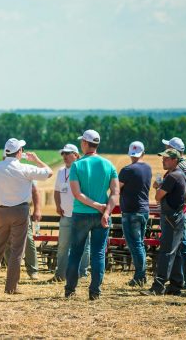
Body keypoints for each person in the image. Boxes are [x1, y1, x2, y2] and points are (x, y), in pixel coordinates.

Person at [0, 138, 52, 294]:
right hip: (20, 212)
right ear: (19, 152)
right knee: (17, 251)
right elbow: (49, 172)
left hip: (0, 212)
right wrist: (37, 159)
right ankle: (11, 287)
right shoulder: (25, 168)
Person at [64, 129, 119, 301]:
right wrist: (106, 211)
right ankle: (95, 292)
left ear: (85, 143)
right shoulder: (109, 165)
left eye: (82, 142)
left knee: (75, 253)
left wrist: (97, 206)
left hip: (81, 214)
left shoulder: (77, 165)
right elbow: (115, 193)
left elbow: (77, 194)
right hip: (101, 216)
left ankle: (70, 290)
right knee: (98, 254)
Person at [142, 149, 186, 296]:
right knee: (176, 252)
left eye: (166, 158)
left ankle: (158, 286)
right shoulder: (180, 174)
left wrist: (158, 187)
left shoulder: (172, 176)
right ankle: (176, 285)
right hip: (176, 217)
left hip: (170, 218)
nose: (163, 160)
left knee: (166, 252)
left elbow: (158, 196)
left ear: (175, 160)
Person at [51, 144, 90, 283]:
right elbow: (56, 191)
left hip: (81, 214)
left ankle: (82, 274)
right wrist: (57, 205)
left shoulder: (83, 170)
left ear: (76, 155)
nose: (65, 156)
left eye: (68, 153)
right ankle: (60, 274)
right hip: (65, 215)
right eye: (63, 154)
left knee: (84, 245)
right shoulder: (61, 171)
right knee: (62, 246)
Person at [162, 136, 186, 290]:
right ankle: (184, 280)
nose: (164, 151)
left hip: (179, 211)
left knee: (181, 245)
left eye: (167, 148)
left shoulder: (181, 167)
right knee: (181, 245)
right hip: (182, 209)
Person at [118, 140, 152, 288]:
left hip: (131, 211)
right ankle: (141, 274)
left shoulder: (127, 170)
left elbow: (116, 189)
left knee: (135, 244)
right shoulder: (148, 169)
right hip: (144, 210)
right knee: (140, 243)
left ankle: (140, 276)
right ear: (143, 153)